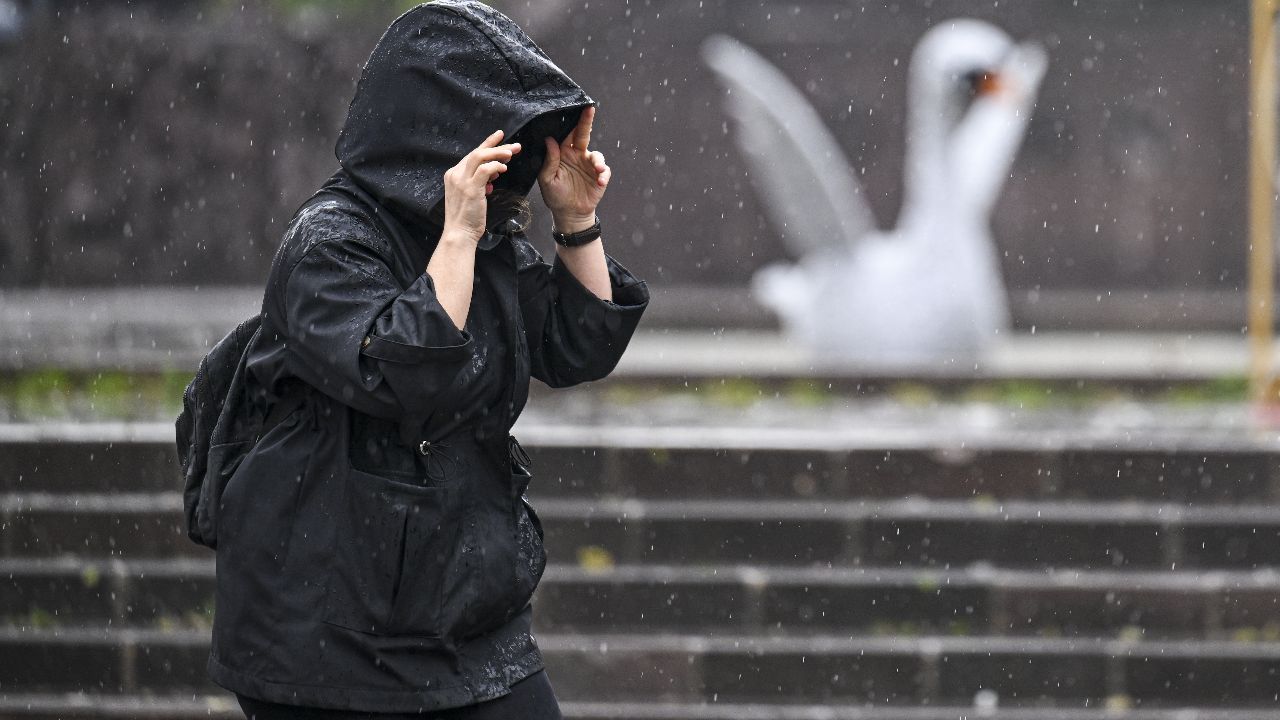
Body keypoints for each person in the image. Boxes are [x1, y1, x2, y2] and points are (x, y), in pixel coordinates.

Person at [207, 1, 650, 717]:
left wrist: (574, 217)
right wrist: (457, 237)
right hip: (322, 631)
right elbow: (403, 368)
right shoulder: (328, 242)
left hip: (463, 612)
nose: (510, 166)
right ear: (435, 133)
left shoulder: (486, 246)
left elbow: (578, 344)